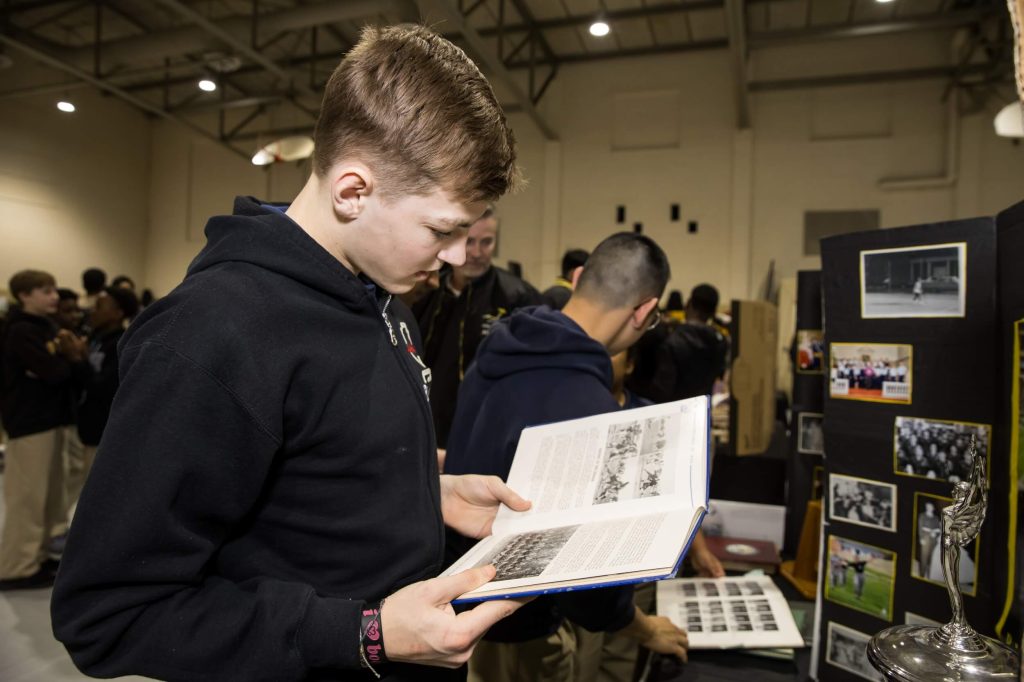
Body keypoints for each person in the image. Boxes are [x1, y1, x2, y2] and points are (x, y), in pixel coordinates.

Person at [52, 24, 535, 681]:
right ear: (353, 191)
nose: (456, 257)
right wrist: (364, 635)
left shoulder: (385, 300)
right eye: (442, 230)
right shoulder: (210, 335)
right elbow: (109, 615)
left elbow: (307, 483)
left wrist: (425, 492)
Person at [444, 233, 689, 682]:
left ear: (577, 279)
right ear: (644, 311)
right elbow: (583, 581)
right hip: (523, 630)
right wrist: (642, 627)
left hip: (459, 609)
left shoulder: (499, 350)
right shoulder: (589, 408)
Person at [414, 207, 541, 448]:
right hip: (426, 424)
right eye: (469, 241)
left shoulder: (517, 297)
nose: (476, 253)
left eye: (487, 242)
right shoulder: (426, 291)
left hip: (485, 428)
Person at [0, 270, 85, 590]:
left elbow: (61, 370)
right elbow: (56, 372)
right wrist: (67, 358)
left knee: (49, 495)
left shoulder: (46, 327)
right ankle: (17, 567)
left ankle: (39, 555)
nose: (54, 296)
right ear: (24, 296)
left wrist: (65, 361)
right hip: (29, 423)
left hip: (52, 419)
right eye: (45, 291)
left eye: (53, 290)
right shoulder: (21, 330)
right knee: (28, 497)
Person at [68, 286, 139, 519]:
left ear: (118, 312)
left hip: (103, 431)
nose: (92, 312)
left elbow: (102, 386)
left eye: (100, 307)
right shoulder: (98, 340)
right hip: (86, 429)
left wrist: (78, 359)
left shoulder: (121, 344)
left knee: (96, 499)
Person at [627, 283, 729, 404]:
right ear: (713, 311)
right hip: (701, 411)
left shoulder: (669, 339)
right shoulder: (721, 342)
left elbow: (662, 389)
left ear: (688, 304)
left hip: (673, 412)